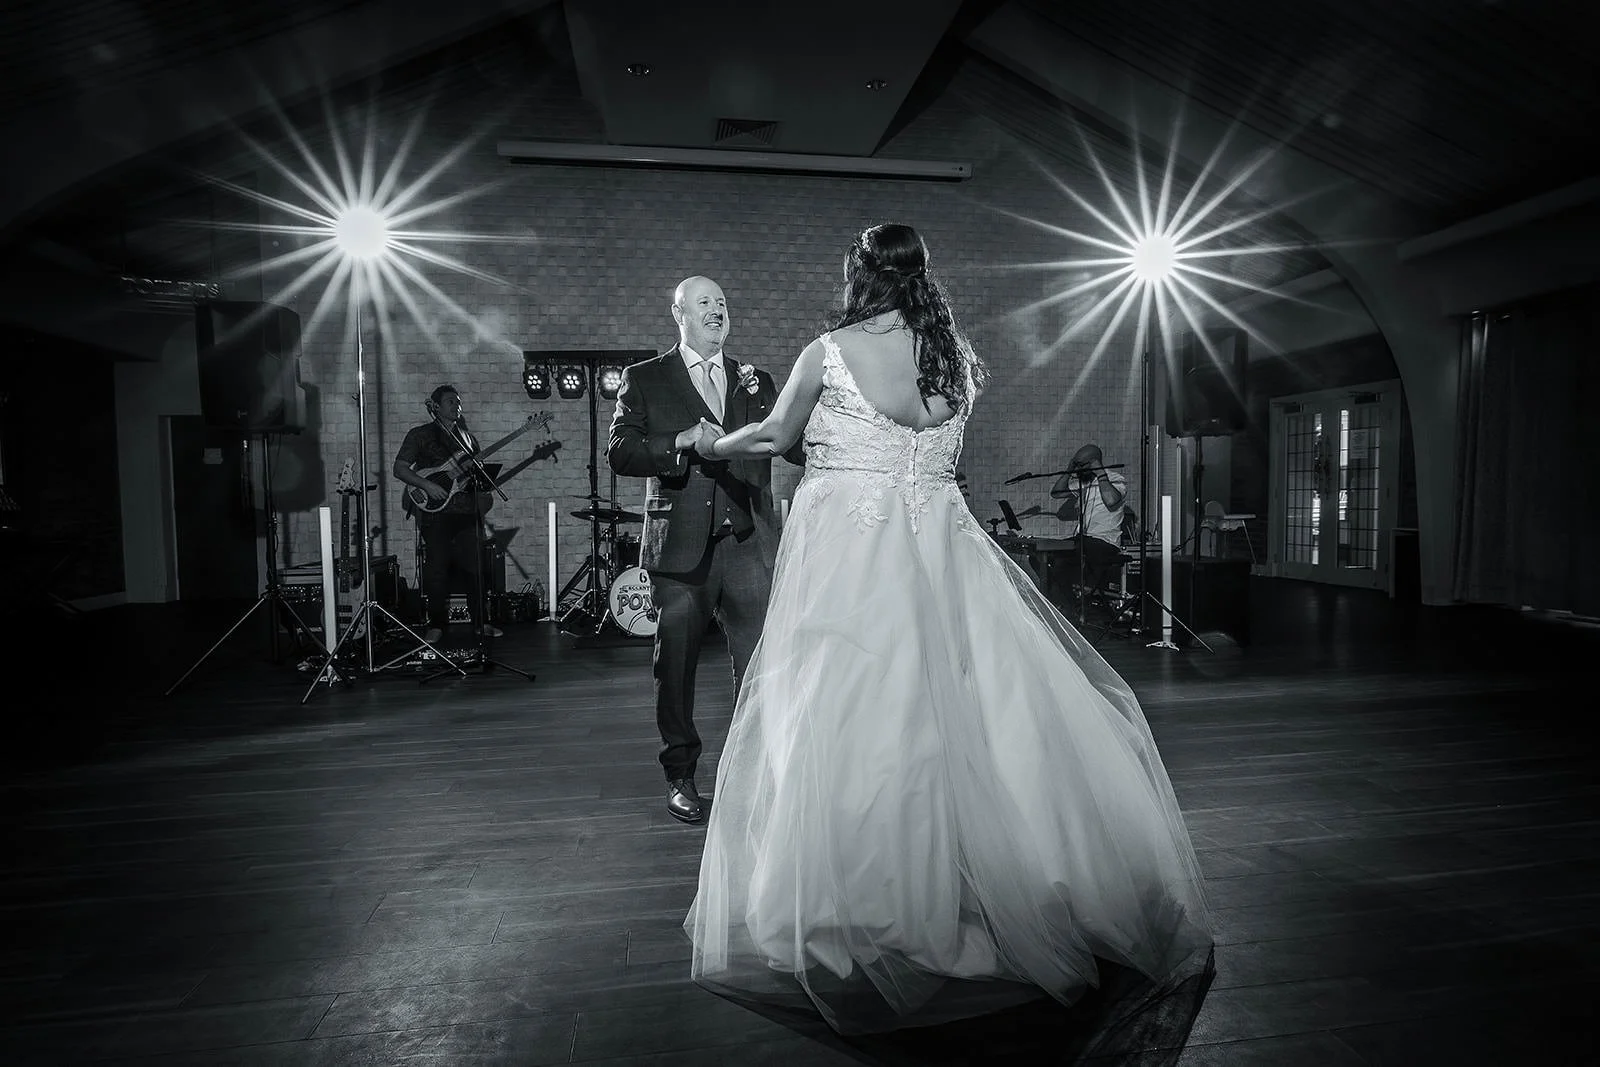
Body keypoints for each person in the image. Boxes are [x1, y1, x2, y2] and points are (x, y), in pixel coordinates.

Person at [682, 224, 1214, 1034]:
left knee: (855, 720)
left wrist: (704, 439)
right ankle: (983, 884)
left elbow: (771, 439)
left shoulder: (827, 352)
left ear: (859, 272)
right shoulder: (954, 357)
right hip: (941, 555)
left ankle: (876, 901)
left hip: (852, 562)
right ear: (922, 277)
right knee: (968, 716)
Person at [606, 276, 805, 825]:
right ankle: (680, 774)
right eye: (704, 303)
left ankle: (756, 770)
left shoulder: (756, 380)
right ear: (680, 314)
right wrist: (676, 444)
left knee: (760, 662)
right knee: (676, 666)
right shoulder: (645, 378)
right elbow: (620, 451)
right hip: (681, 548)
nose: (716, 310)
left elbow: (789, 442)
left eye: (722, 302)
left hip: (748, 543)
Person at [393, 385, 503, 644]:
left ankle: (479, 623)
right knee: (436, 571)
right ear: (436, 406)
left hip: (465, 511)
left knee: (476, 569)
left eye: (458, 402)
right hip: (434, 513)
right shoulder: (419, 435)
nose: (456, 405)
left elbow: (473, 475)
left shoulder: (467, 438)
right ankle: (436, 625)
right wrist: (427, 485)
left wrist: (475, 481)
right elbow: (400, 469)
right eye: (450, 401)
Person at [1053, 442, 1130, 591]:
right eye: (1077, 465)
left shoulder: (1116, 479)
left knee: (1061, 561)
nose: (1079, 469)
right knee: (1044, 556)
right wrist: (1069, 470)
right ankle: (1066, 604)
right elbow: (1057, 493)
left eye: (1081, 465)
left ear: (1094, 462)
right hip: (1084, 540)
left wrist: (1100, 472)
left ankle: (1071, 607)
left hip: (1105, 541)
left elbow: (1111, 500)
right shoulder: (1085, 482)